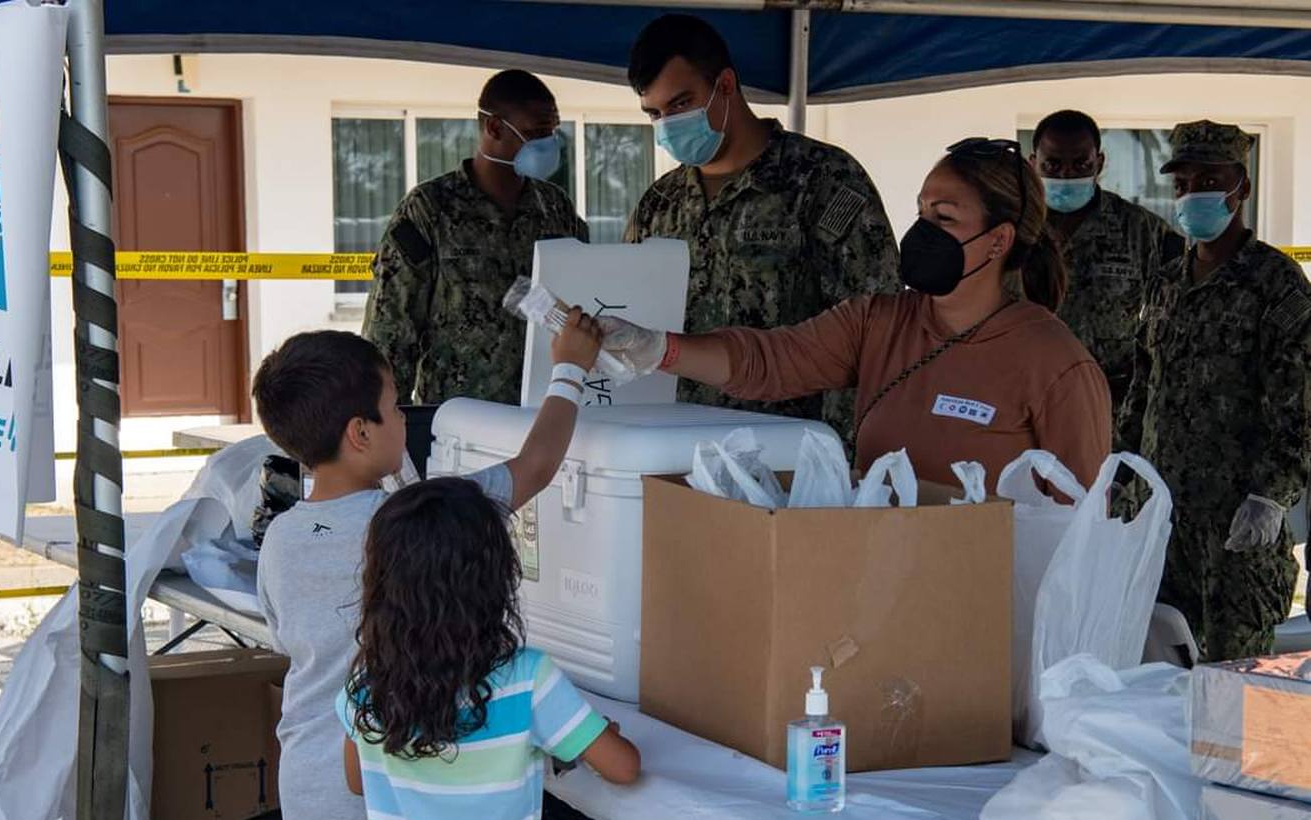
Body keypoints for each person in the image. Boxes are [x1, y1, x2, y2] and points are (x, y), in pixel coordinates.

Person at [251, 310, 602, 820]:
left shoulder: (281, 537)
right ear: (360, 432)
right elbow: (536, 465)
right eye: (394, 409)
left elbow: (288, 639)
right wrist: (569, 368)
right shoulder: (420, 522)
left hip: (310, 800)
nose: (402, 421)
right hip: (398, 802)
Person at [603, 138, 1112, 490]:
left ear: (998, 240)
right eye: (921, 213)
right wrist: (658, 348)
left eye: (944, 217)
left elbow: (1079, 524)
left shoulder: (1054, 363)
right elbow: (768, 360)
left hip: (990, 611)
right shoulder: (878, 323)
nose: (922, 231)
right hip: (878, 589)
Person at [340, 478, 641, 820]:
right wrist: (597, 735)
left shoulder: (367, 683)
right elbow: (624, 768)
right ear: (496, 578)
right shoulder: (527, 679)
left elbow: (357, 781)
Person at [623, 13, 900, 448]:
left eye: (680, 104)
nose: (667, 124)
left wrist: (842, 461)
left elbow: (873, 331)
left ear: (726, 85)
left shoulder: (823, 180)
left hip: (788, 453)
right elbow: (635, 324)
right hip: (676, 451)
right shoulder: (660, 203)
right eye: (653, 113)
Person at [1119, 120, 1311, 662]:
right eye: (1182, 184)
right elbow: (1142, 388)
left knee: (1235, 682)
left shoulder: (1275, 284)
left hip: (1235, 530)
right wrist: (1121, 478)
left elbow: (1299, 407)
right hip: (1162, 520)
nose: (1192, 194)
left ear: (1240, 188)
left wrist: (1270, 496)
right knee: (1158, 671)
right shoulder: (1164, 282)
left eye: (1209, 179)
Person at [363, 69, 587, 406]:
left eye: (552, 132)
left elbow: (584, 301)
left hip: (545, 416)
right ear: (494, 127)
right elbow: (392, 332)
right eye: (536, 133)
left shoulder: (555, 208)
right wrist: (390, 425)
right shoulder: (430, 209)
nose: (548, 144)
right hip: (459, 423)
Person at [1029, 110, 1184, 430]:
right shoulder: (1013, 231)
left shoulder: (1143, 232)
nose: (1067, 174)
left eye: (1080, 164)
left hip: (1113, 410)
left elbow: (1176, 319)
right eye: (1053, 165)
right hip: (1027, 398)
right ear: (1033, 163)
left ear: (1099, 163)